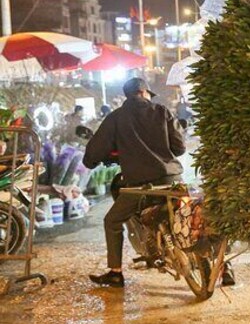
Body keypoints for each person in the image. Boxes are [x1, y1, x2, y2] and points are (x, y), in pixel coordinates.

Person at [82, 78, 235, 288]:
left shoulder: (116, 118)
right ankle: (224, 265)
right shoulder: (162, 112)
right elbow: (180, 147)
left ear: (128, 95)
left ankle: (115, 273)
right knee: (198, 214)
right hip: (172, 181)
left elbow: (93, 152)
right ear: (144, 92)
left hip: (140, 187)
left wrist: (92, 160)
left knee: (112, 221)